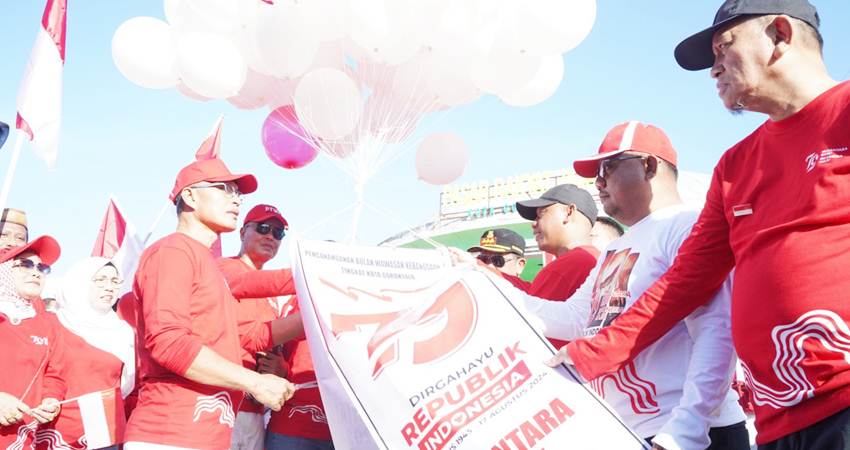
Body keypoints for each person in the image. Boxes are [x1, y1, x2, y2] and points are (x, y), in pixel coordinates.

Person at [557, 1, 850, 449]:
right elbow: (685, 283)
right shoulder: (735, 166)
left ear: (780, 35)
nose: (713, 69)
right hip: (779, 421)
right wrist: (585, 357)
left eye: (723, 48)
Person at [512, 121, 748, 449]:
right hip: (633, 430)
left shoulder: (687, 225)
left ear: (648, 165)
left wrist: (688, 426)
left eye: (607, 167)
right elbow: (578, 319)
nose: (597, 181)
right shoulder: (614, 247)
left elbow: (716, 331)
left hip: (690, 432)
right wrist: (489, 286)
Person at [124, 159, 298, 450]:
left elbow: (247, 337)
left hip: (210, 435)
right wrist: (254, 382)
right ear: (190, 197)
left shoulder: (207, 264)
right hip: (171, 434)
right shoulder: (173, 251)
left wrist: (316, 316)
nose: (236, 200)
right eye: (224, 189)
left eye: (237, 194)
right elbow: (169, 342)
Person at [217, 204, 298, 450]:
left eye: (278, 233)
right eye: (263, 228)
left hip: (257, 409)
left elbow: (276, 349)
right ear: (242, 233)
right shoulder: (223, 268)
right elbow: (250, 335)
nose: (270, 237)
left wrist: (281, 368)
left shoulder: (274, 298)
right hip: (224, 405)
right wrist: (313, 275)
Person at [36, 257, 135, 450]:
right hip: (53, 424)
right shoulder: (52, 323)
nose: (109, 287)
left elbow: (126, 384)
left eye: (115, 281)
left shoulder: (123, 331)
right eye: (101, 280)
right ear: (80, 282)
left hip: (104, 429)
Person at [0, 236, 65, 449]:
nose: (36, 272)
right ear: (6, 270)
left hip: (22, 440)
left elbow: (54, 375)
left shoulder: (48, 323)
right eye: (26, 264)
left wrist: (51, 400)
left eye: (42, 267)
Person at [515, 184, 600, 300]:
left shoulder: (569, 265)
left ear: (569, 212)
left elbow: (527, 316)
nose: (534, 224)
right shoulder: (600, 259)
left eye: (541, 215)